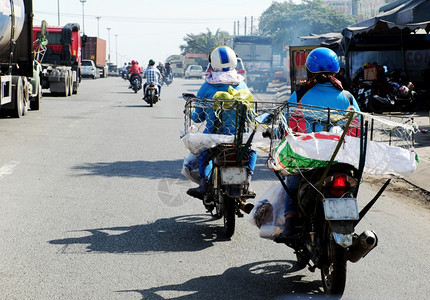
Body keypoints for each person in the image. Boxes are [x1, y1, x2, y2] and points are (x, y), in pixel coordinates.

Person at [276, 47, 361, 238]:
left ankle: (290, 223)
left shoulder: (299, 96)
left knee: (292, 184)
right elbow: (357, 127)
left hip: (308, 159)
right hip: (342, 159)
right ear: (336, 70)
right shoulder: (347, 97)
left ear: (309, 71)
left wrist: (278, 132)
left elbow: (285, 125)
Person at [186, 45, 258, 203]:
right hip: (239, 138)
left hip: (214, 137)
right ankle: (248, 181)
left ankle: (204, 184)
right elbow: (251, 116)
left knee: (204, 155)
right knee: (251, 151)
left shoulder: (207, 86)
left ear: (212, 63)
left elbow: (198, 118)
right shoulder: (242, 85)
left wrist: (189, 113)